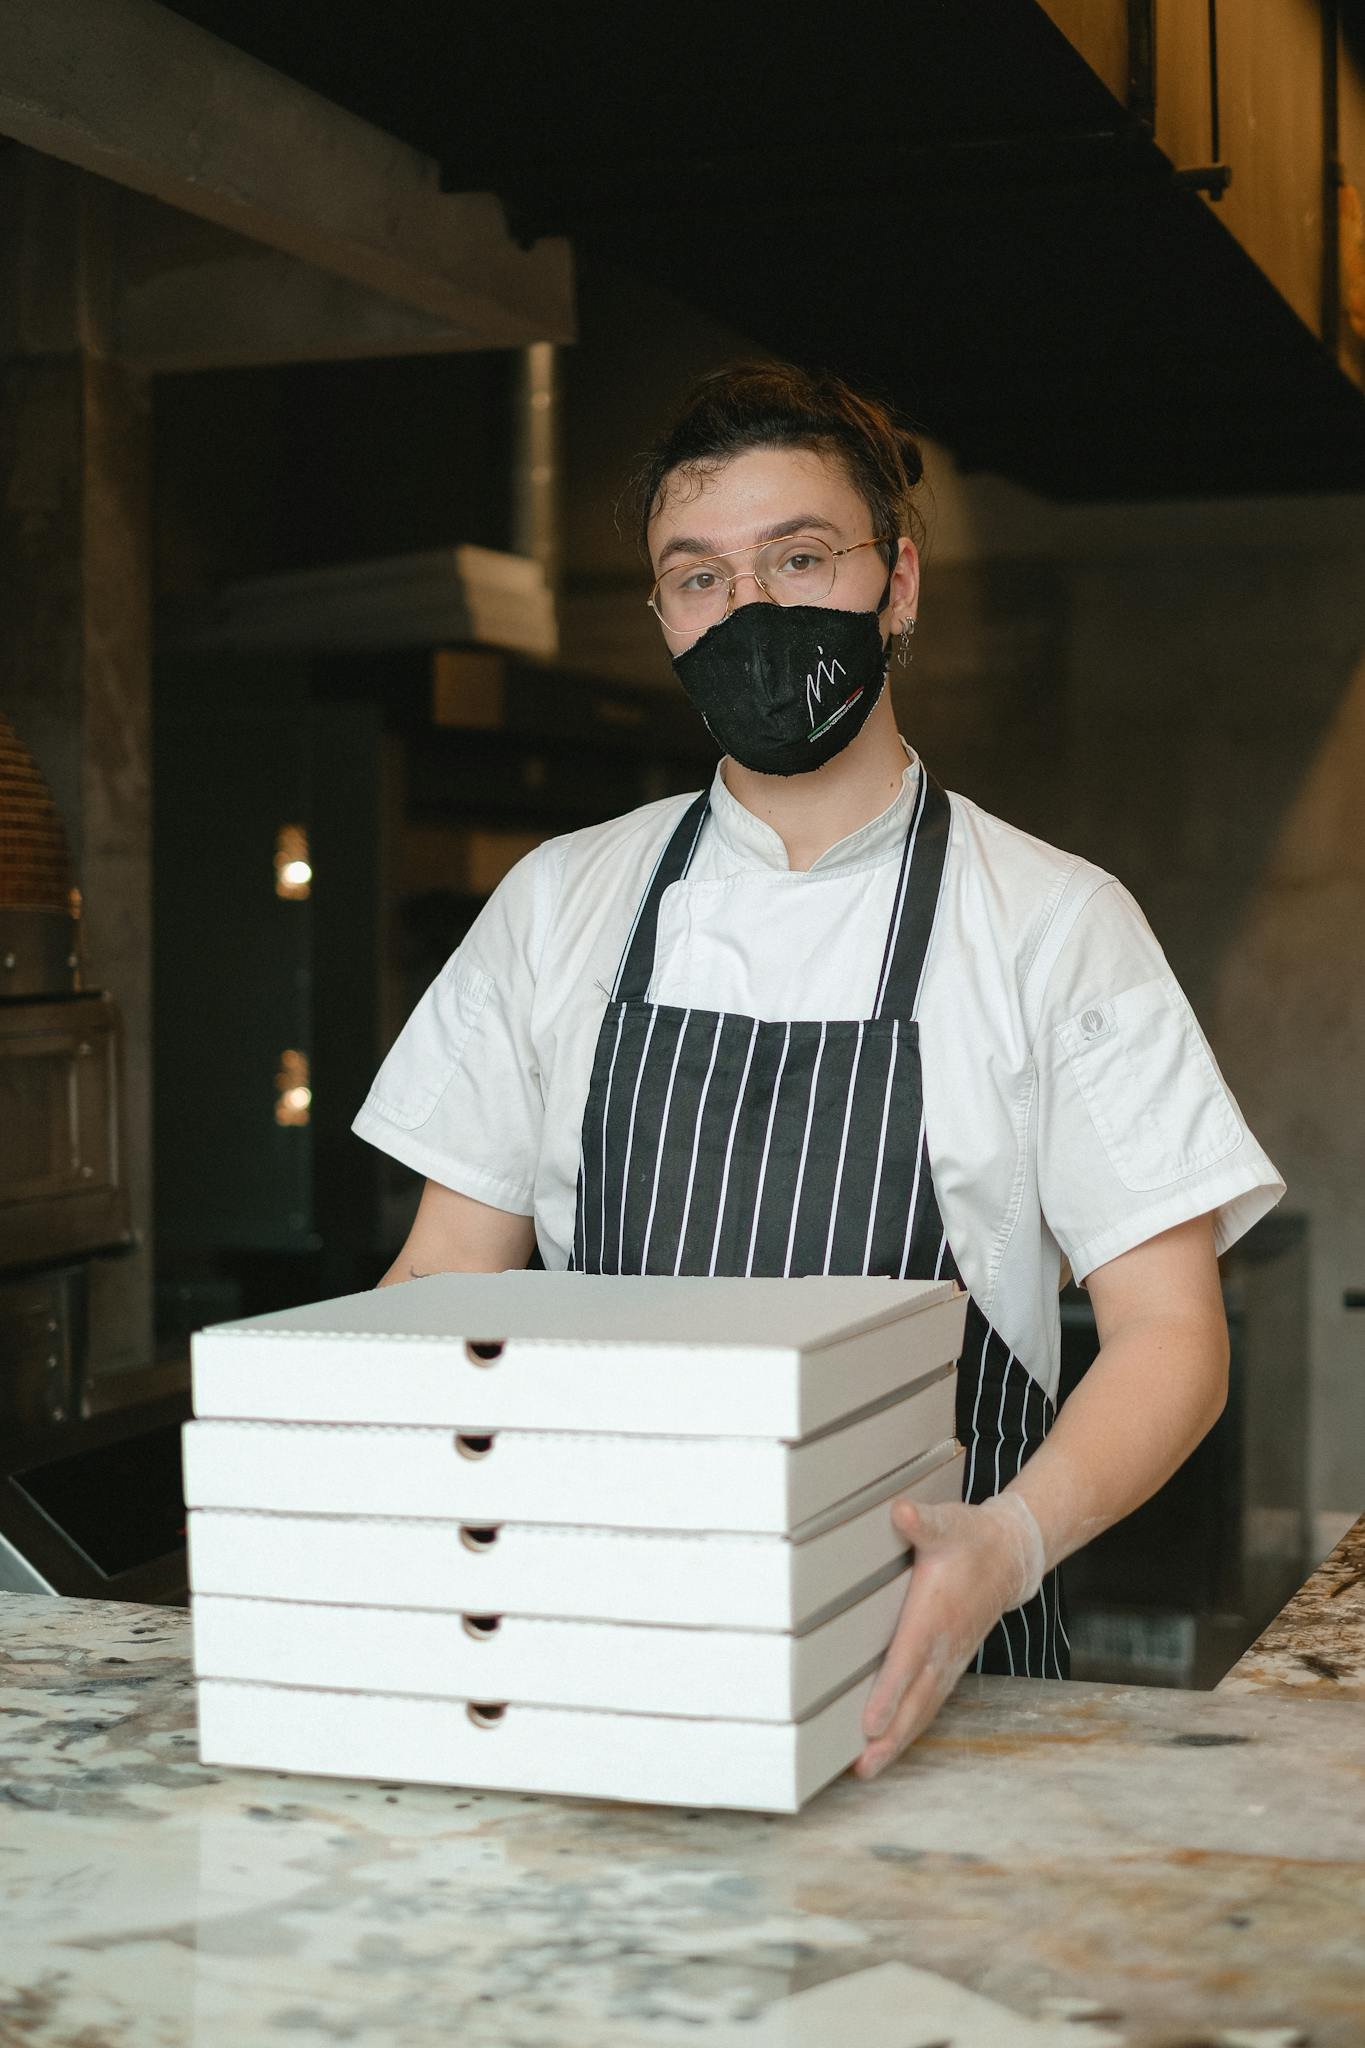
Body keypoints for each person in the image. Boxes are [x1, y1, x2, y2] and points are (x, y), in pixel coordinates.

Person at [352, 361, 1283, 1778]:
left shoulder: (1048, 923)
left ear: (895, 583)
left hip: (938, 1684)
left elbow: (1171, 1334)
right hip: (593, 1659)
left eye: (801, 557)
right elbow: (441, 1280)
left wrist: (1008, 1544)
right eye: (699, 576)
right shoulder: (559, 905)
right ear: (663, 612)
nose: (753, 611)